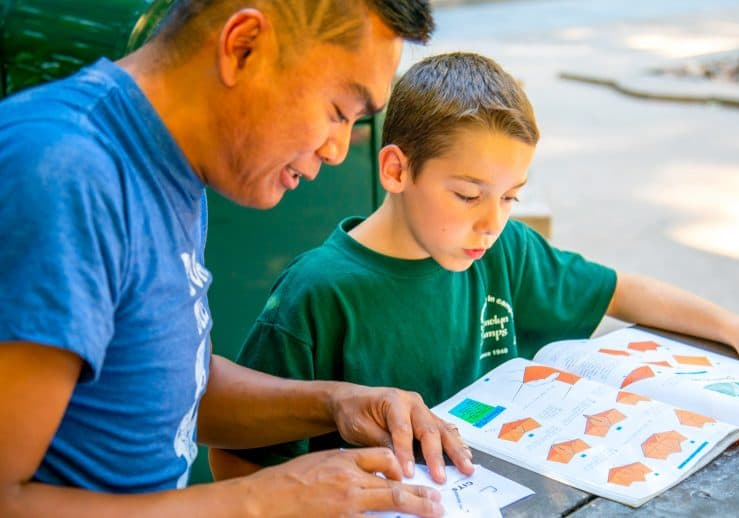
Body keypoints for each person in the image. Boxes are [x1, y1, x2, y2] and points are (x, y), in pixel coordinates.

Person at [208, 52, 739, 479]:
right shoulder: (318, 294)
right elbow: (234, 449)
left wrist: (738, 328)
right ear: (396, 168)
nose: (491, 222)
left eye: (510, 197)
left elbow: (622, 290)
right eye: (468, 196)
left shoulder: (502, 248)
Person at [0, 2, 475, 517]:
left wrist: (338, 404)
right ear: (243, 45)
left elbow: (165, 386)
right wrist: (259, 501)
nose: (339, 149)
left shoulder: (173, 169)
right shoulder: (61, 175)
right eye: (339, 111)